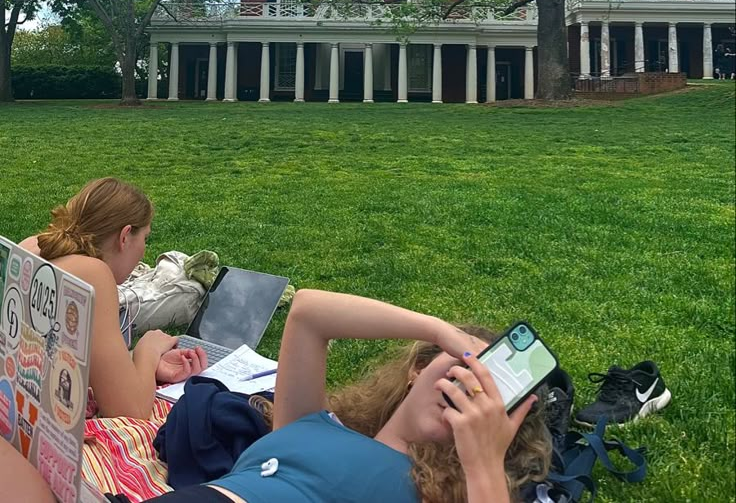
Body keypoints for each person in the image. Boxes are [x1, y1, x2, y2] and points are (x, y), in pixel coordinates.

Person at [2, 289, 551, 503]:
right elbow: (309, 313)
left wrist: (483, 462)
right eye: (461, 368)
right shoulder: (310, 424)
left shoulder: (443, 495)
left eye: (486, 392)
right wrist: (437, 327)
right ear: (416, 369)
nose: (465, 390)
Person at [19, 177, 207, 418]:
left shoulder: (32, 246)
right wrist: (147, 351)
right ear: (125, 236)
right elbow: (130, 411)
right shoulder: (94, 273)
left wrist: (135, 367)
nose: (144, 250)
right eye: (145, 238)